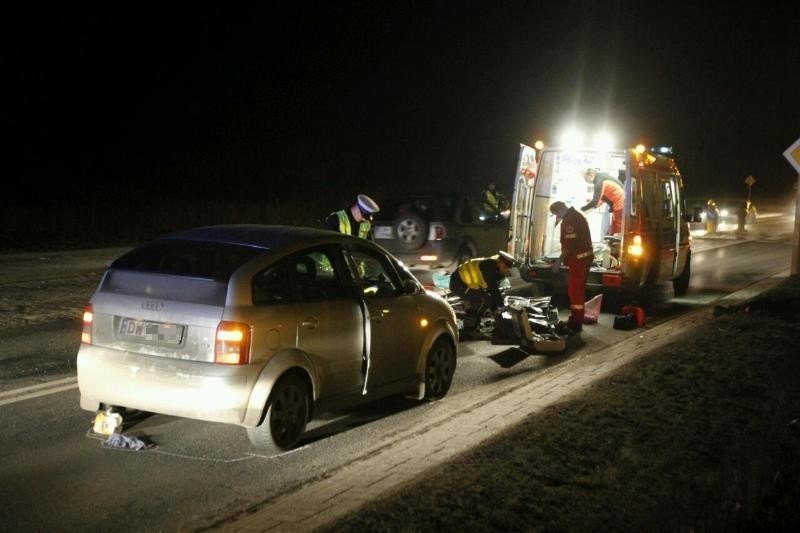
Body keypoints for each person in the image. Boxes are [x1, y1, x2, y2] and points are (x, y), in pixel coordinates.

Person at [549, 201, 594, 335]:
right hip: (581, 258)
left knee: (575, 291)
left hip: (579, 260)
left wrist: (559, 261)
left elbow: (569, 245)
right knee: (577, 290)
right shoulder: (575, 216)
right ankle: (575, 319)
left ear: (561, 209)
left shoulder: (570, 220)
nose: (558, 217)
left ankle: (576, 323)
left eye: (556, 214)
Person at [449, 251, 516, 334]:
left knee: (487, 298)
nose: (506, 270)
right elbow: (493, 289)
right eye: (505, 267)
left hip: (467, 284)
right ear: (500, 262)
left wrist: (497, 310)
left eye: (507, 268)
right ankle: (469, 327)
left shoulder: (496, 268)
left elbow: (492, 292)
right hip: (458, 284)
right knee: (482, 300)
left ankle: (475, 324)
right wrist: (501, 306)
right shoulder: (489, 267)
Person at [580, 168, 624, 235]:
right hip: (619, 202)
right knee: (615, 227)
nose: (585, 181)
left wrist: (582, 210)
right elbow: (601, 199)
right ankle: (614, 240)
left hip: (619, 203)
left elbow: (595, 201)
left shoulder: (599, 182)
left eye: (585, 178)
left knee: (618, 227)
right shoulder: (602, 177)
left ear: (591, 175)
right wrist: (590, 209)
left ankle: (618, 242)